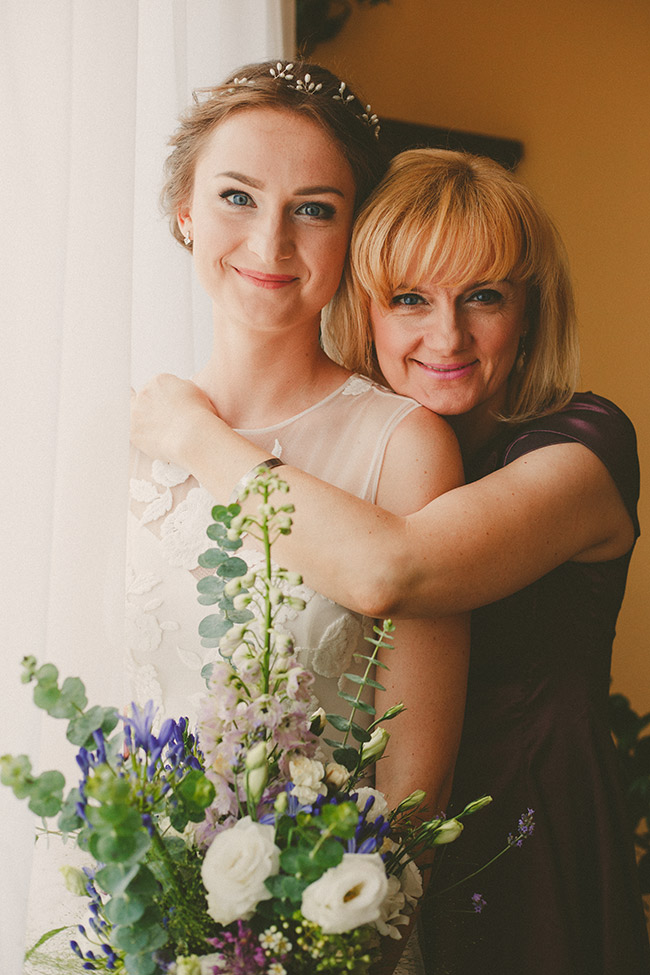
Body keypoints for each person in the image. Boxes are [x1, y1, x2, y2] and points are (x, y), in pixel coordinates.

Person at [131, 148, 650, 975]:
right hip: (351, 856)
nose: (448, 335)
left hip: (531, 843)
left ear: (530, 310)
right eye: (411, 299)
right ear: (364, 308)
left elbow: (392, 571)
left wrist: (196, 436)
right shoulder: (360, 457)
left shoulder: (585, 450)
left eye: (484, 296)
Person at [126, 64, 468, 975]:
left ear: (353, 233)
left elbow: (415, 791)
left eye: (314, 208)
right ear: (185, 211)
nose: (270, 239)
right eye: (237, 196)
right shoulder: (119, 439)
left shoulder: (406, 447)